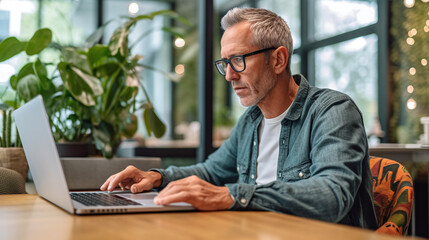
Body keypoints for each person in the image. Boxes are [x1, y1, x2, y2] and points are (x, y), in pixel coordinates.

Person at [101, 7, 378, 229]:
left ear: (279, 60)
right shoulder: (251, 121)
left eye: (239, 60)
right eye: (225, 63)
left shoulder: (332, 110)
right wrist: (156, 177)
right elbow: (211, 172)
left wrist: (232, 195)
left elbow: (332, 196)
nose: (230, 75)